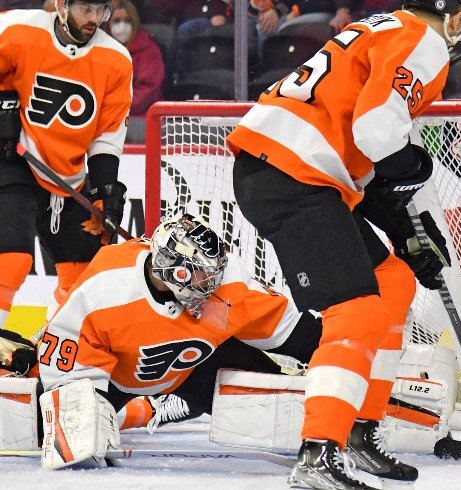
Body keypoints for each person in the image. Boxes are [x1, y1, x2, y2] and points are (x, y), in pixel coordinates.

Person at [225, 0, 461, 488]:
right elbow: (377, 133)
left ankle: (360, 430)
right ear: (450, 15)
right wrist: (416, 169)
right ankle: (319, 451)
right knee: (357, 312)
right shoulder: (423, 41)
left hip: (290, 168)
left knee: (394, 281)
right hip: (295, 174)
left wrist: (406, 228)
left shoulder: (376, 27)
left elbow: (357, 148)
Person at [34, 213, 324, 469]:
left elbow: (299, 333)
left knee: (283, 412)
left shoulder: (228, 282)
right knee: (70, 437)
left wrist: (344, 361)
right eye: (201, 275)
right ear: (170, 267)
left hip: (195, 366)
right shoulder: (105, 288)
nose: (212, 284)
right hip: (115, 378)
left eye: (214, 272)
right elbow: (67, 368)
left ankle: (164, 401)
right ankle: (150, 407)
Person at [0, 1, 131, 333]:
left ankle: (53, 357)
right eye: (85, 8)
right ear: (62, 5)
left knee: (86, 281)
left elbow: (106, 136)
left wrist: (104, 190)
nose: (93, 19)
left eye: (100, 10)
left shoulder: (116, 59)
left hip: (70, 175)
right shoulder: (18, 29)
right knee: (10, 259)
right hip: (15, 159)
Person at [105, 0, 163, 144]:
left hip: (140, 117)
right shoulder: (101, 50)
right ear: (108, 25)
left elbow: (147, 91)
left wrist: (117, 106)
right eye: (116, 21)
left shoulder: (149, 50)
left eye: (127, 21)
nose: (122, 26)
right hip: (108, 115)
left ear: (135, 23)